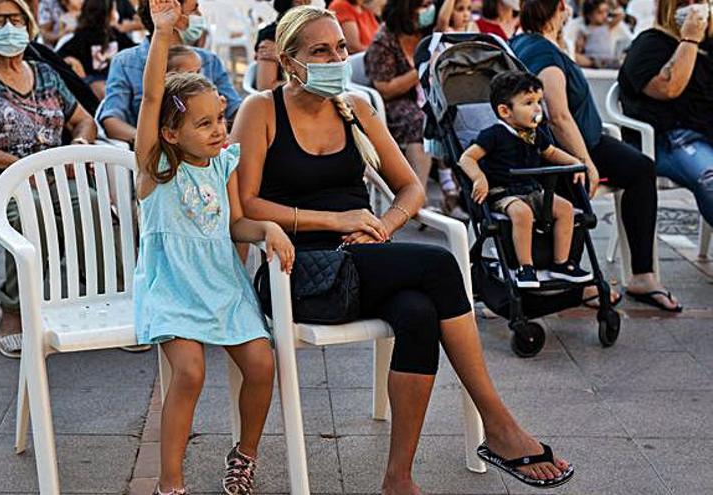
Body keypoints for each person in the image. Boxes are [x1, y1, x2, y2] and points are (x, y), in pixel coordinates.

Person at [235, 5, 575, 492]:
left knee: (417, 312)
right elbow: (247, 204)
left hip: (365, 259)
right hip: (298, 269)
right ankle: (498, 425)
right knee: (437, 264)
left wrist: (384, 224)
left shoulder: (354, 106)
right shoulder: (261, 110)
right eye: (320, 51)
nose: (336, 58)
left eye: (340, 48)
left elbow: (410, 188)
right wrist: (336, 219)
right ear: (290, 62)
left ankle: (398, 477)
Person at [132, 2, 294, 494]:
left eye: (220, 119)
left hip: (221, 283)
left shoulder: (223, 164)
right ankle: (170, 481)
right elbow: (151, 96)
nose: (220, 131)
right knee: (190, 370)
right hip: (173, 286)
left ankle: (244, 454)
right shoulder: (156, 166)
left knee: (263, 363)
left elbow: (235, 224)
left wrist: (267, 230)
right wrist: (163, 34)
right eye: (204, 125)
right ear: (170, 133)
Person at [0, 0, 99, 357]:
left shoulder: (45, 74)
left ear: (28, 28)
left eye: (15, 19)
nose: (7, 27)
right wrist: (14, 164)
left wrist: (79, 144)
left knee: (92, 204)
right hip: (1, 180)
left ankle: (94, 293)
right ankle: (13, 309)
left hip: (53, 175)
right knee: (33, 212)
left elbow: (84, 119)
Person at [512, 0, 683, 312]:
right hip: (568, 150)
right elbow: (558, 117)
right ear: (562, 7)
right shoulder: (541, 51)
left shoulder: (537, 42)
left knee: (640, 169)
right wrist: (587, 164)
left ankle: (642, 275)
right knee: (581, 180)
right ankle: (575, 279)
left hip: (590, 140)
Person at [459, 71, 593, 287]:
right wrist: (479, 178)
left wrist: (576, 163)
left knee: (566, 209)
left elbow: (551, 153)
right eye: (529, 103)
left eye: (539, 101)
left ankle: (561, 263)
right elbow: (467, 158)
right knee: (522, 213)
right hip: (503, 193)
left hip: (532, 190)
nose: (537, 108)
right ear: (505, 111)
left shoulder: (536, 133)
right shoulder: (494, 134)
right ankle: (525, 267)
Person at [618, 0, 713, 237]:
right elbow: (669, 88)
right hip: (669, 139)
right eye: (684, 2)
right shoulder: (649, 44)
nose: (693, 7)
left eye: (699, 2)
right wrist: (689, 39)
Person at [98, 0, 241, 146]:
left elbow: (235, 110)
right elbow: (112, 121)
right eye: (194, 9)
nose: (199, 15)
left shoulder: (209, 60)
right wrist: (152, 144)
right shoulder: (125, 62)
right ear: (173, 14)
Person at [365, 0, 435, 188]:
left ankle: (454, 190)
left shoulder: (424, 32)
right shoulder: (384, 41)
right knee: (420, 121)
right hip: (391, 102)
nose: (429, 10)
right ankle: (417, 193)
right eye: (423, 5)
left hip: (422, 95)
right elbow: (385, 89)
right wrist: (421, 69)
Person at [57, 0, 135, 99]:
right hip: (92, 87)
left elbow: (136, 50)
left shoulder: (116, 35)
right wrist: (70, 60)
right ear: (107, 13)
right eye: (114, 9)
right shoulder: (82, 37)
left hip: (116, 83)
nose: (116, 13)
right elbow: (57, 57)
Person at [254, 0, 312, 91]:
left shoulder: (312, 31)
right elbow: (265, 87)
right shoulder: (270, 39)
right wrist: (309, 83)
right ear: (299, 2)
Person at [575, 0, 627, 68]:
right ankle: (595, 64)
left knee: (622, 59)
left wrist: (611, 12)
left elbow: (621, 15)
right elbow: (579, 48)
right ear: (589, 15)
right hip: (592, 58)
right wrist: (579, 45)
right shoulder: (585, 29)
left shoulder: (607, 26)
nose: (604, 15)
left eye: (606, 12)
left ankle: (604, 65)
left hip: (608, 58)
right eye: (600, 12)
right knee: (577, 57)